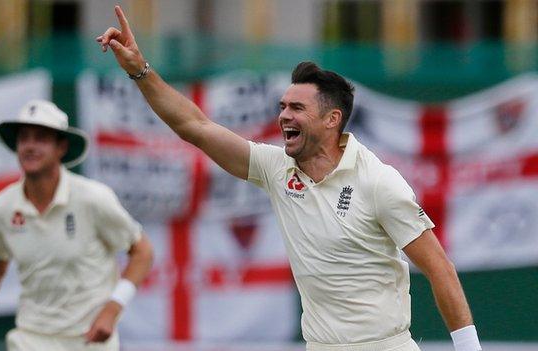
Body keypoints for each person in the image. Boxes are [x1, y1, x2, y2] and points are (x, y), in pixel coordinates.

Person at [96, 5, 484, 351]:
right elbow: (193, 125)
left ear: (332, 120)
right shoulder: (275, 167)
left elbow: (439, 268)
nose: (283, 116)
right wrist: (140, 70)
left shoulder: (379, 182)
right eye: (282, 106)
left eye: (297, 108)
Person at [0, 100, 154, 351]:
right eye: (24, 138)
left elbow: (142, 251)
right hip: (30, 339)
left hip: (89, 341)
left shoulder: (93, 198)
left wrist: (113, 308)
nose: (30, 146)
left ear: (61, 147)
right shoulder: (1, 207)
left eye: (40, 138)